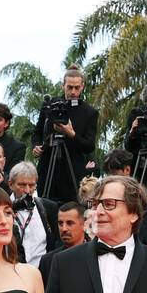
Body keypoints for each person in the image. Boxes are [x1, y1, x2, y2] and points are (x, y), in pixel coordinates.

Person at [32, 67, 99, 205]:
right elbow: (37, 132)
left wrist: (71, 134)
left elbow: (89, 146)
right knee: (45, 209)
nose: (73, 92)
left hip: (72, 173)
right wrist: (36, 146)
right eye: (69, 87)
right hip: (48, 167)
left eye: (77, 88)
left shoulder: (90, 112)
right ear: (63, 86)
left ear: (82, 87)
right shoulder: (50, 106)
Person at [8, 161, 61, 269]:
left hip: (43, 276)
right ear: (10, 184)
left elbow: (57, 241)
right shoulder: (1, 209)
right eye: (22, 185)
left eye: (31, 185)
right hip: (11, 274)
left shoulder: (49, 207)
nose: (27, 190)